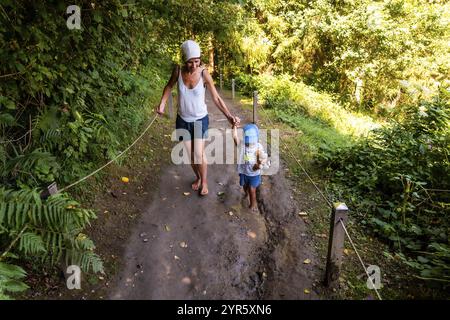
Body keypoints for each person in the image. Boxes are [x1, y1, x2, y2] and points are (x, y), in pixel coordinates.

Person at [156, 40, 240, 196]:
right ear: (184, 61)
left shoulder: (203, 73)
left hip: (200, 119)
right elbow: (168, 87)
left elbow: (216, 98)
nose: (194, 65)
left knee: (198, 154)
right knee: (190, 156)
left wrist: (229, 116)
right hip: (183, 119)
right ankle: (198, 177)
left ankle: (205, 181)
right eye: (190, 62)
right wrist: (162, 103)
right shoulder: (178, 72)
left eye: (196, 61)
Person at [232, 123, 268, 212]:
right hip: (243, 172)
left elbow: (263, 157)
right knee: (245, 186)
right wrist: (234, 126)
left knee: (252, 190)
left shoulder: (259, 146)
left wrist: (261, 162)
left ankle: (253, 204)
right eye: (248, 141)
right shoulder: (242, 145)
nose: (250, 143)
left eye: (252, 141)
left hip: (254, 174)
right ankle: (246, 193)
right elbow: (235, 137)